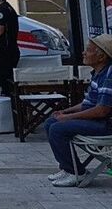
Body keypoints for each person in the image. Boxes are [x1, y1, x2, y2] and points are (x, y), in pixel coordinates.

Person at [44, 35, 112, 187]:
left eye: (88, 50)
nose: (83, 53)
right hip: (98, 120)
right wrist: (65, 112)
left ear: (101, 56)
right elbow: (87, 104)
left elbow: (101, 111)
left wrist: (67, 118)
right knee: (51, 121)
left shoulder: (109, 75)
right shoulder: (98, 73)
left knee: (57, 129)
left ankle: (76, 173)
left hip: (106, 124)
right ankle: (68, 167)